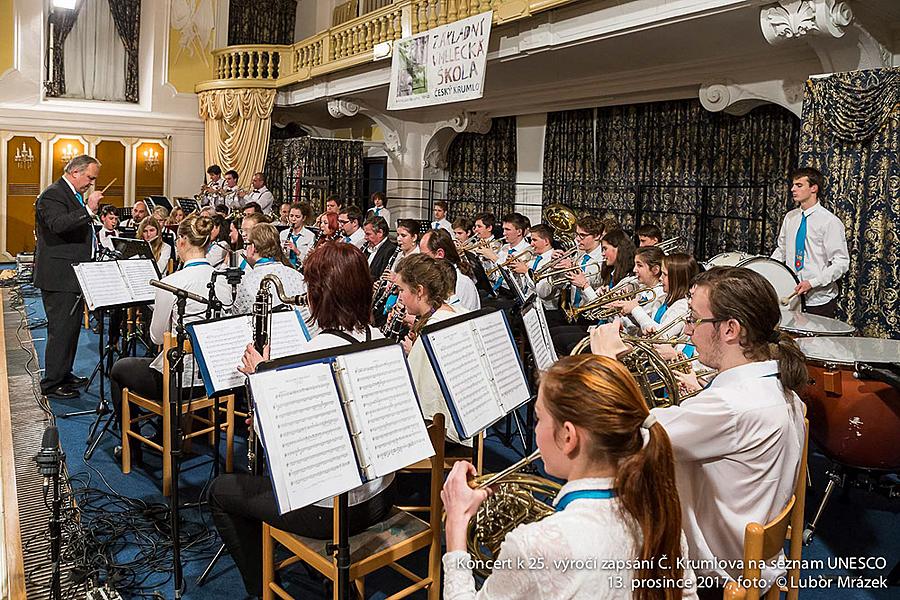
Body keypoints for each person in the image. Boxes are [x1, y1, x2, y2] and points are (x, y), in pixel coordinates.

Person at [591, 266, 807, 597]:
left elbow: (625, 432)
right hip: (756, 559)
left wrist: (606, 363)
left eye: (694, 319)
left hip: (715, 576)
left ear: (731, 330)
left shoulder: (731, 406)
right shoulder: (777, 385)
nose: (688, 331)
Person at [209, 242, 394, 598]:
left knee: (220, 492)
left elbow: (274, 444)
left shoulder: (308, 354)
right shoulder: (381, 339)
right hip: (382, 495)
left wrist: (258, 378)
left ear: (317, 296)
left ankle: (260, 589)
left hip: (332, 513)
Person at [442, 354, 697, 599]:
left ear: (568, 437)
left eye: (539, 418)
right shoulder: (660, 516)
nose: (536, 428)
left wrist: (456, 522)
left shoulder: (535, 546)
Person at [109, 215, 231, 453]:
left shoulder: (172, 282)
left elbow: (156, 338)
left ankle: (130, 448)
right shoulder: (224, 280)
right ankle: (175, 431)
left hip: (179, 379)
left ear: (182, 241)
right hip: (213, 375)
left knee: (119, 369)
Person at [34, 154, 103, 399]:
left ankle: (64, 373)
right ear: (75, 172)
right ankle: (52, 383)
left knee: (71, 328)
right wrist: (88, 209)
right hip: (59, 275)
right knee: (60, 329)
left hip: (72, 274)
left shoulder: (71, 194)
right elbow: (58, 224)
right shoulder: (53, 194)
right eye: (89, 177)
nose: (91, 183)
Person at [396, 253, 471, 444]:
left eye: (402, 290)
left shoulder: (433, 330)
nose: (400, 297)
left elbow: (418, 397)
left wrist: (414, 353)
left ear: (419, 291)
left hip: (446, 433)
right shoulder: (455, 311)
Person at [771, 167, 849, 318]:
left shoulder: (830, 222)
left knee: (816, 342)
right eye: (793, 185)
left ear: (814, 188)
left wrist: (812, 283)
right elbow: (782, 250)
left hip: (819, 300)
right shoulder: (790, 217)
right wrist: (770, 271)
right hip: (789, 295)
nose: (793, 189)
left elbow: (841, 263)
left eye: (799, 185)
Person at [231, 224, 306, 316]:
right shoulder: (296, 274)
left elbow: (239, 315)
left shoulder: (248, 280)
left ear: (253, 247)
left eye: (247, 244)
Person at [607, 245, 666, 334]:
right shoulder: (641, 288)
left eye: (639, 265)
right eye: (635, 265)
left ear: (655, 270)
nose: (634, 269)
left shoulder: (660, 294)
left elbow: (644, 328)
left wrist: (630, 311)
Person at [419, 228, 480, 311]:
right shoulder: (437, 276)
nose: (421, 260)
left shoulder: (461, 282)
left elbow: (456, 318)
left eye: (423, 256)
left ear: (439, 254)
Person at [280, 203, 316, 268]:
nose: (293, 219)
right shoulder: (283, 234)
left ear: (304, 218)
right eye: (291, 216)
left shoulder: (310, 236)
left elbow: (309, 261)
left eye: (297, 217)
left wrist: (296, 251)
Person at [363, 216, 397, 280]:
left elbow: (381, 276)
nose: (365, 238)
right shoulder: (366, 248)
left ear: (380, 233)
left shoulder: (390, 250)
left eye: (368, 234)